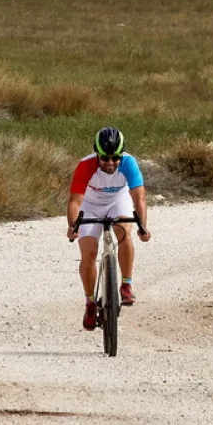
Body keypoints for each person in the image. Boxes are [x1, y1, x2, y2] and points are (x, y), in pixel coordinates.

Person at [66, 126, 150, 330]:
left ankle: (126, 284)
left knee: (123, 232)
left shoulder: (129, 163)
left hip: (117, 201)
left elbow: (139, 198)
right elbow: (75, 202)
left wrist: (143, 226)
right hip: (90, 205)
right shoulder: (86, 165)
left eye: (115, 158)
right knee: (89, 252)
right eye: (105, 158)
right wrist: (73, 226)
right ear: (97, 154)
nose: (110, 163)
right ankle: (90, 302)